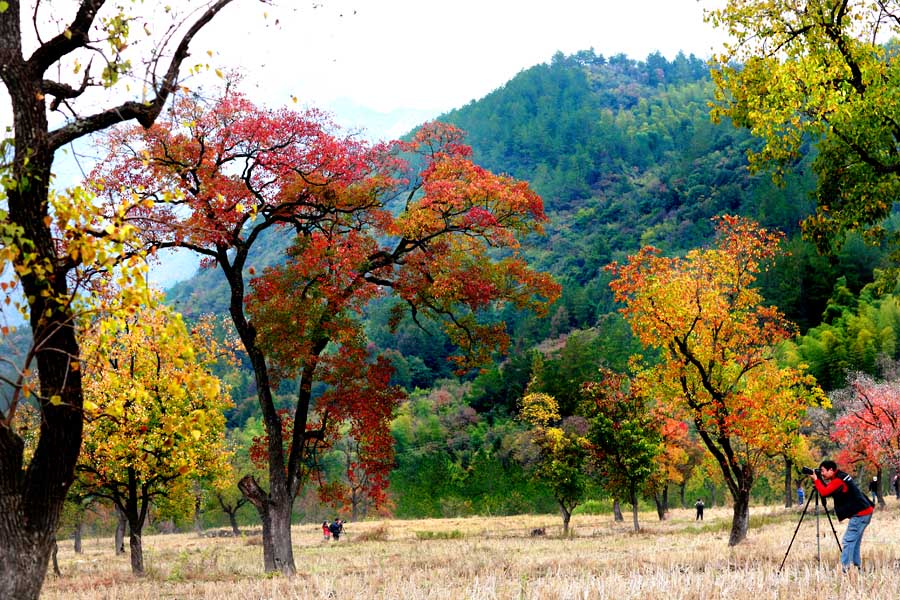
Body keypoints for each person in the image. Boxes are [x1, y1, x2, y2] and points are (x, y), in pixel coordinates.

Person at [809, 459, 874, 572]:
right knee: (855, 541)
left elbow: (824, 492)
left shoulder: (838, 480)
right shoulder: (840, 476)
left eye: (823, 471)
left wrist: (816, 480)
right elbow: (828, 490)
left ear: (831, 470)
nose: (822, 474)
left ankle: (845, 569)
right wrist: (819, 480)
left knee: (848, 541)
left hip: (860, 514)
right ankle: (856, 567)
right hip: (865, 511)